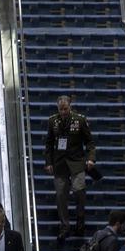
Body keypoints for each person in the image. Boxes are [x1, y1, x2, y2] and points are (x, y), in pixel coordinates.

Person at [44, 95, 96, 241]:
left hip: (77, 162)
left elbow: (89, 142)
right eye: (60, 109)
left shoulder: (80, 120)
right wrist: (48, 162)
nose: (63, 112)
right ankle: (64, 226)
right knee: (61, 195)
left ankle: (80, 221)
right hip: (59, 163)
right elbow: (48, 144)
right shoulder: (52, 121)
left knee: (79, 191)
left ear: (70, 106)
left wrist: (91, 158)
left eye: (65, 109)